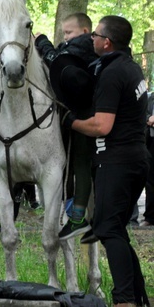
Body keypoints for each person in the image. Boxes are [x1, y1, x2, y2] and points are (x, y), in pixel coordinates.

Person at [65, 15, 149, 307]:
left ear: (107, 42)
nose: (92, 39)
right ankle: (136, 296)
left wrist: (71, 122)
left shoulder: (112, 74)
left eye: (96, 35)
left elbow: (101, 126)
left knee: (108, 228)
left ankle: (124, 300)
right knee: (114, 228)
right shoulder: (130, 68)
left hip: (118, 162)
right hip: (133, 160)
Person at [36, 12, 98, 240]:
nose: (66, 36)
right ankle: (73, 210)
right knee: (73, 165)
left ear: (84, 32)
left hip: (83, 115)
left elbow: (56, 64)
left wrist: (42, 43)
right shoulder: (74, 47)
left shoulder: (83, 47)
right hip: (76, 114)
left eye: (69, 32)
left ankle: (78, 217)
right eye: (64, 33)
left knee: (81, 164)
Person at [142, 92, 154, 227]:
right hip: (150, 142)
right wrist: (149, 118)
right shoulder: (150, 97)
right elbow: (143, 114)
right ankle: (150, 217)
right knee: (150, 180)